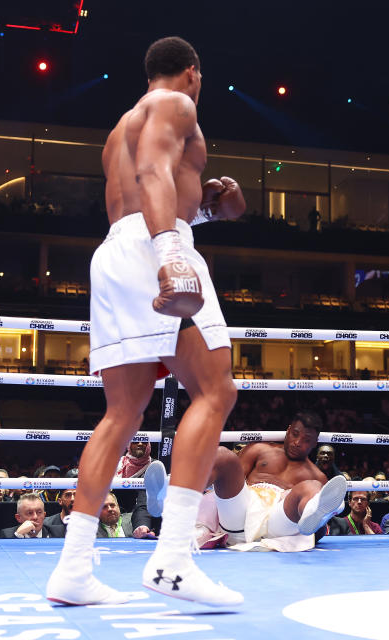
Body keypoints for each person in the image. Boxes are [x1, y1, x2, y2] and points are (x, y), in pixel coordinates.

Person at [46, 36, 246, 607]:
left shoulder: (121, 128)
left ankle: (74, 568)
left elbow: (150, 186)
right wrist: (173, 253)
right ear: (192, 73)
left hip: (115, 253)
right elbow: (157, 174)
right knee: (215, 391)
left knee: (122, 413)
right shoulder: (177, 105)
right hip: (151, 247)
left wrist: (207, 208)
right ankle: (173, 560)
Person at [176, 413, 347, 551]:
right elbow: (233, 485)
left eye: (306, 440)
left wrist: (316, 528)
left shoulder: (316, 476)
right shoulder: (259, 449)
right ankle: (177, 492)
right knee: (222, 455)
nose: (297, 443)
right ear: (288, 430)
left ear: (314, 443)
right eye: (295, 434)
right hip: (240, 515)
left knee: (312, 488)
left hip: (277, 525)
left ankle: (315, 513)